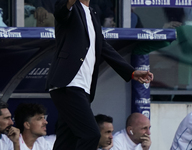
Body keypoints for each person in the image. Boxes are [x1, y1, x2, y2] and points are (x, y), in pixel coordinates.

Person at [46, 0, 154, 150]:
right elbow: (60, 12)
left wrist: (131, 72)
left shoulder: (92, 12)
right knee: (91, 135)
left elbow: (103, 46)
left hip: (83, 88)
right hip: (69, 84)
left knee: (67, 140)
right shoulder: (70, 6)